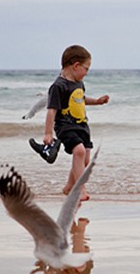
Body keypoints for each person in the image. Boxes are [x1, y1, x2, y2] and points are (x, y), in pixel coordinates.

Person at [43, 45, 109, 200]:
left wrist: (97, 102)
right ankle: (80, 189)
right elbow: (51, 110)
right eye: (86, 69)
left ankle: (69, 187)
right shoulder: (58, 86)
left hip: (82, 125)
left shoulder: (78, 83)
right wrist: (48, 133)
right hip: (65, 126)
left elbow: (81, 100)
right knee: (78, 152)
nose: (87, 73)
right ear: (76, 65)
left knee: (84, 160)